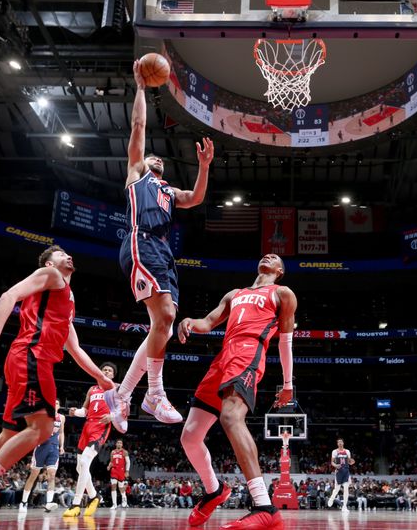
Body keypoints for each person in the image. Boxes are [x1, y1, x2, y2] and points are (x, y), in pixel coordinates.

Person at [0, 246, 114, 528]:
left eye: (68, 253)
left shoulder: (66, 300)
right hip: (33, 357)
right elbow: (10, 295)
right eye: (60, 254)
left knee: (9, 434)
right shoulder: (50, 275)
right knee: (43, 428)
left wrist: (101, 379)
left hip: (25, 359)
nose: (67, 256)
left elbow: (75, 348)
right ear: (48, 262)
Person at [104, 59, 215, 431]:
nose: (155, 156)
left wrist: (204, 166)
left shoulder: (169, 190)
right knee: (165, 318)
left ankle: (121, 396)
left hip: (164, 253)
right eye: (152, 155)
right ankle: (153, 393)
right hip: (141, 242)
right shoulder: (137, 174)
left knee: (161, 328)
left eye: (159, 158)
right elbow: (138, 125)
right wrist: (140, 87)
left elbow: (197, 199)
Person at [177, 254, 296, 529]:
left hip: (248, 353)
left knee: (230, 417)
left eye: (275, 257)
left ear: (279, 270)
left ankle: (264, 506)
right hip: (222, 358)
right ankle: (214, 491)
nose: (268, 255)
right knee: (190, 436)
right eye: (265, 254)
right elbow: (208, 322)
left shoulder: (282, 293)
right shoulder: (235, 294)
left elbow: (286, 342)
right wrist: (191, 321)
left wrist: (288, 385)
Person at [63, 363, 118, 517]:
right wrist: (76, 412)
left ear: (113, 375)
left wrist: (112, 416)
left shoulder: (115, 389)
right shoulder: (92, 389)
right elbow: (85, 410)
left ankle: (75, 504)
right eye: (104, 369)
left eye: (110, 370)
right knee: (80, 468)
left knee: (85, 461)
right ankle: (94, 496)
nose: (106, 371)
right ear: (99, 372)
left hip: (100, 427)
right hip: (87, 427)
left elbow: (123, 410)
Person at [19, 399, 65, 512]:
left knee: (52, 475)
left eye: (57, 403)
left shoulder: (62, 417)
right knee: (33, 475)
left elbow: (61, 432)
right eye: (53, 402)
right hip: (41, 447)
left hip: (54, 448)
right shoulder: (44, 415)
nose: (55, 404)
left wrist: (62, 446)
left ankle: (49, 503)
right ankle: (23, 502)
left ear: (59, 406)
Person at [327, 439, 355, 512]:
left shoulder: (347, 451)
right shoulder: (334, 451)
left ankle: (344, 506)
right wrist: (336, 465)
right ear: (337, 444)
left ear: (343, 443)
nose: (340, 443)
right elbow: (332, 462)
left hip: (346, 471)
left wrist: (351, 462)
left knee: (346, 489)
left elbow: (349, 461)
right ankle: (332, 498)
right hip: (339, 471)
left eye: (341, 442)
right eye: (338, 442)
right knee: (337, 489)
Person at [108, 440, 130, 509]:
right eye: (118, 443)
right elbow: (111, 462)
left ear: (122, 444)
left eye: (120, 443)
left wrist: (127, 471)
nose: (119, 444)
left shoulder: (125, 452)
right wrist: (109, 466)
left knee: (121, 488)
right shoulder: (112, 452)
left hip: (121, 471)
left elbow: (128, 462)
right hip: (114, 471)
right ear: (116, 444)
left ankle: (124, 500)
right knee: (113, 486)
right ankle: (114, 504)